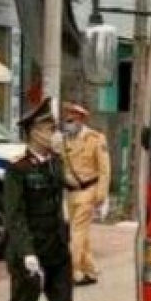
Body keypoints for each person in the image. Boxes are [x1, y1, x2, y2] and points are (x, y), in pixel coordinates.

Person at [3, 98, 79, 301]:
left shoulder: (55, 162)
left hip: (57, 248)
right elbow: (14, 215)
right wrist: (27, 253)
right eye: (49, 128)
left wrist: (64, 157)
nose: (54, 133)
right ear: (34, 132)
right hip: (30, 251)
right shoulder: (17, 168)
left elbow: (73, 185)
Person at [60, 102, 110, 286]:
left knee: (76, 234)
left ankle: (72, 271)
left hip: (89, 191)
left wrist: (101, 195)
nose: (68, 123)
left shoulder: (95, 139)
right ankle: (90, 271)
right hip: (71, 194)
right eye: (66, 120)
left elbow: (105, 169)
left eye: (71, 120)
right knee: (83, 235)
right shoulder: (66, 140)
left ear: (80, 120)